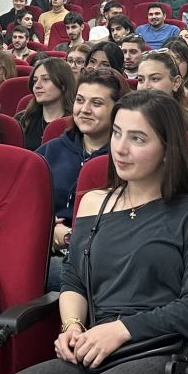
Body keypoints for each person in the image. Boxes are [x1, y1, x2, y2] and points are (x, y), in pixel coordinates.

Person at [0, 90, 188, 374]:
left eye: (138, 138)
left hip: (164, 351)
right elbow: (74, 281)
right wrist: (72, 327)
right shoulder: (96, 202)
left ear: (168, 147)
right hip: (98, 345)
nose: (120, 148)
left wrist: (120, 329)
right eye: (117, 133)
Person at [36, 69, 125, 286]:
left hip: (103, 259)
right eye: (79, 100)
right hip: (45, 251)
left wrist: (68, 237)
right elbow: (23, 208)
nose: (84, 110)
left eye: (96, 103)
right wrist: (48, 230)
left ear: (118, 110)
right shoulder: (49, 151)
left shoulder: (126, 158)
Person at [17, 57, 77, 151]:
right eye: (35, 80)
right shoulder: (22, 120)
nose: (37, 86)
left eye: (45, 79)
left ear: (63, 84)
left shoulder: (76, 124)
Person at [135, 50, 188, 125]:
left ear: (176, 83)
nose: (145, 86)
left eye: (155, 79)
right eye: (141, 80)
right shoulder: (129, 118)